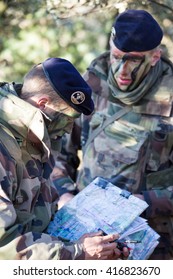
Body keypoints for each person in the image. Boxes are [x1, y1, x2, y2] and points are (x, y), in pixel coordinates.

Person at [51, 10, 173, 260]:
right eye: (117, 57)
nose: (122, 71)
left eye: (134, 60)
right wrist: (64, 195)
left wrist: (143, 201)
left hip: (153, 238)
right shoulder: (89, 85)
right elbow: (57, 154)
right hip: (87, 233)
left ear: (154, 57)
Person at [0, 57, 129, 260]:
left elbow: (40, 221)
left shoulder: (34, 139)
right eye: (67, 118)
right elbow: (5, 247)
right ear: (43, 104)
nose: (69, 129)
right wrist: (78, 253)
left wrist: (98, 244)